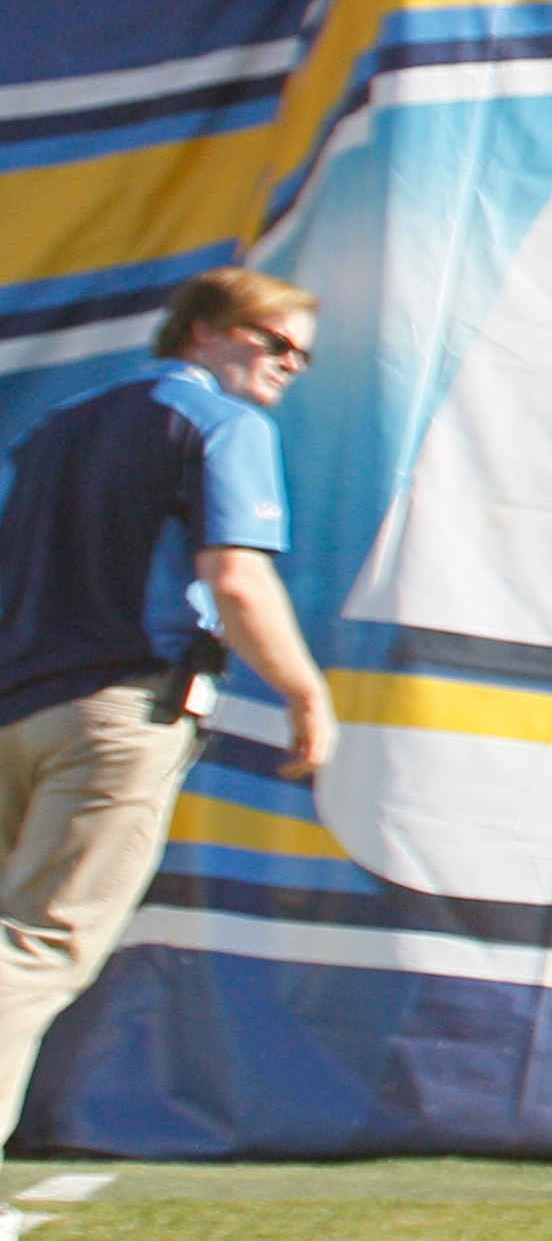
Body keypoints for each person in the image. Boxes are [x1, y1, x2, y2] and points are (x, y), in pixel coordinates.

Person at [0, 269, 331, 1142]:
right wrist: (305, 690)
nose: (290, 365)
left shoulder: (50, 431)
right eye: (275, 341)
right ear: (205, 331)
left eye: (303, 354)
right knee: (36, 948)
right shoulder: (222, 424)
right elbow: (238, 578)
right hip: (117, 712)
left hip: (17, 708)